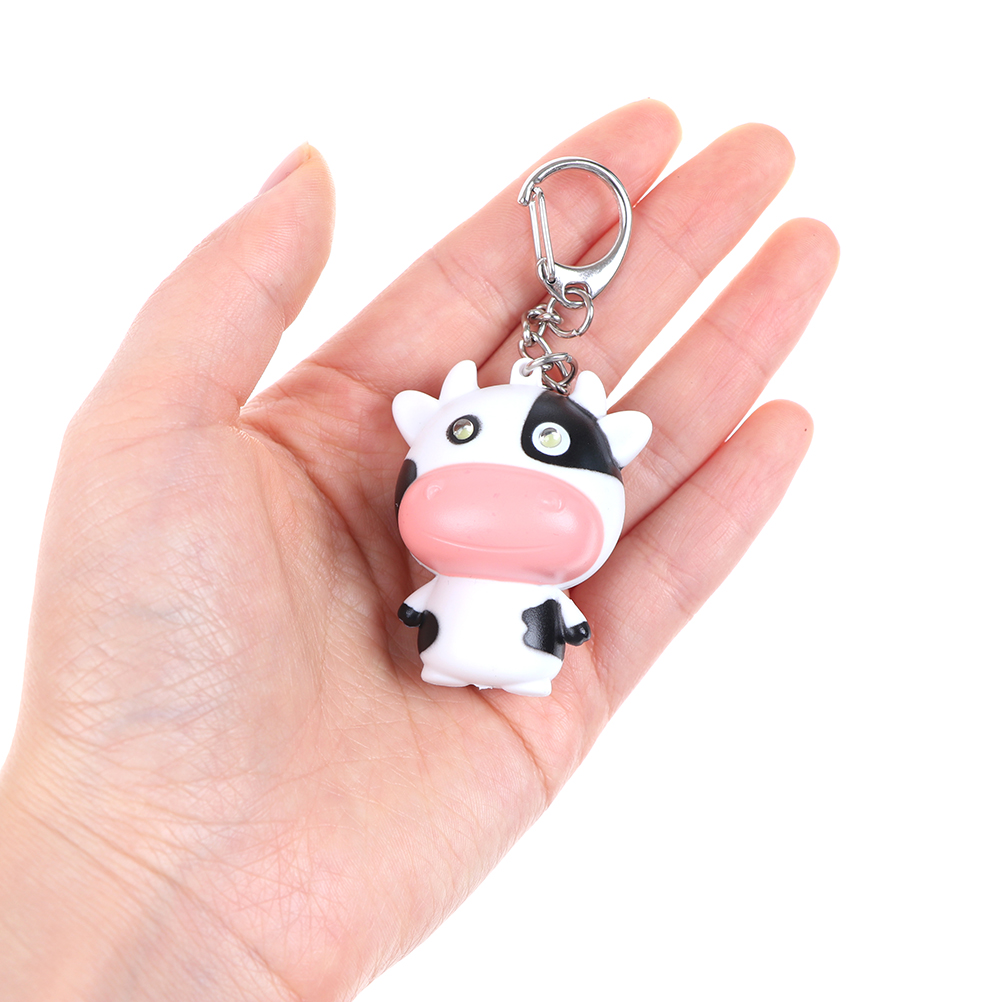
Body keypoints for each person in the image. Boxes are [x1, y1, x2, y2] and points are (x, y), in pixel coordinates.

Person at [0, 100, 837, 1000]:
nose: (497, 502)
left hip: (522, 657)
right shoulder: (450, 505)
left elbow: (548, 607)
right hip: (449, 652)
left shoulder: (544, 536)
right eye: (468, 452)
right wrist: (114, 850)